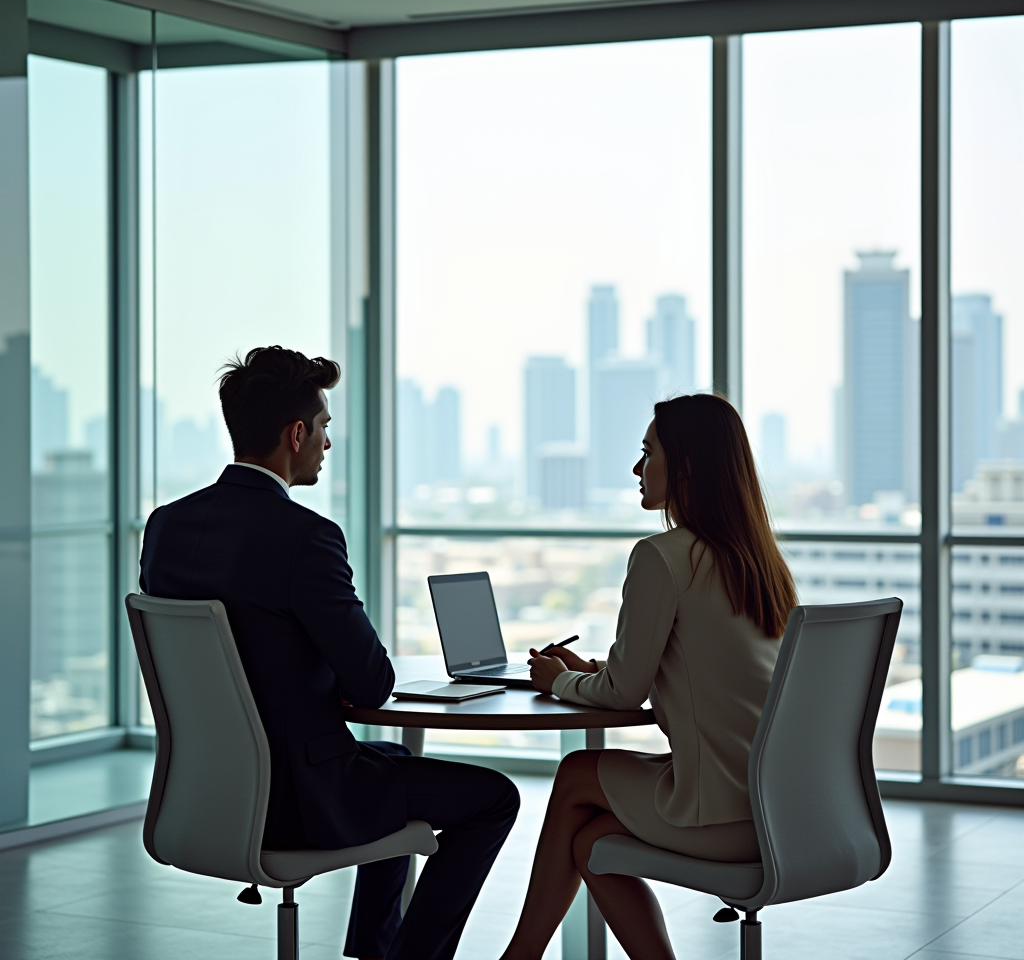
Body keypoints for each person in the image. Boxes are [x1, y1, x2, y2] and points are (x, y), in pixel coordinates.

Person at [140, 346, 519, 960]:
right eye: (323, 427)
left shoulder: (165, 526)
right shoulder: (306, 536)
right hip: (297, 802)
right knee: (495, 798)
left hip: (206, 795)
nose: (327, 442)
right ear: (296, 434)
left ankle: (375, 948)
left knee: (393, 759)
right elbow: (371, 684)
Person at [499, 393, 796, 960]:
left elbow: (624, 694)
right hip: (779, 805)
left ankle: (520, 957)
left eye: (648, 452)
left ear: (685, 466)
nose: (637, 468)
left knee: (576, 774)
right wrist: (594, 671)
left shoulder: (663, 555)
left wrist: (556, 682)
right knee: (592, 842)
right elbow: (703, 668)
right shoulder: (756, 560)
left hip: (727, 812)